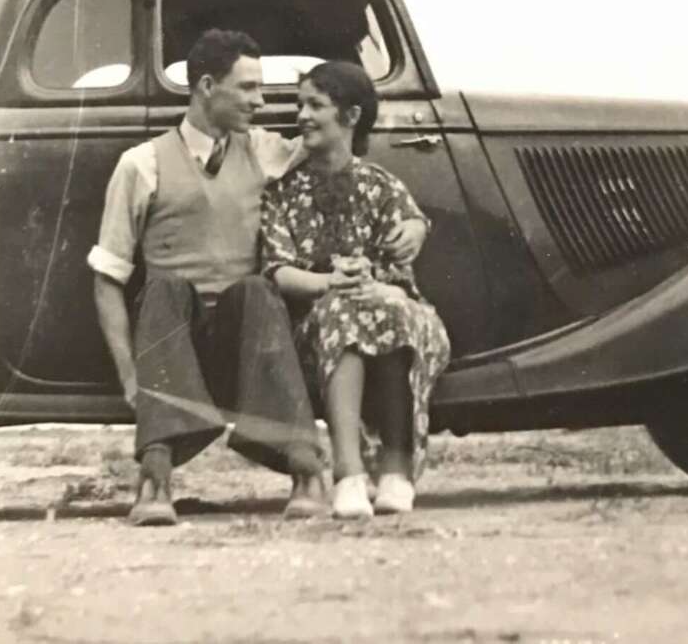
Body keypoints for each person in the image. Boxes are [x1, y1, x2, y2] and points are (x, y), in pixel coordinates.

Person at [88, 30, 428, 526]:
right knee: (161, 289)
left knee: (257, 287)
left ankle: (305, 467)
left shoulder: (267, 150)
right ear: (206, 86)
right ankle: (155, 475)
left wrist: (414, 224)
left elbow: (337, 149)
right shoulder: (140, 166)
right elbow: (107, 278)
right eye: (246, 88)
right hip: (171, 345)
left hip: (243, 343)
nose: (261, 101)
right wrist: (128, 376)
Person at [260, 61, 450, 519]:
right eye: (300, 105)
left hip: (389, 309)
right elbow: (278, 271)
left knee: (390, 311)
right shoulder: (283, 192)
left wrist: (396, 264)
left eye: (315, 105)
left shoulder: (382, 187)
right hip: (317, 321)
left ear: (350, 117)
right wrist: (331, 284)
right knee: (347, 312)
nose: (302, 115)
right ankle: (348, 475)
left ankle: (396, 473)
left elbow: (402, 272)